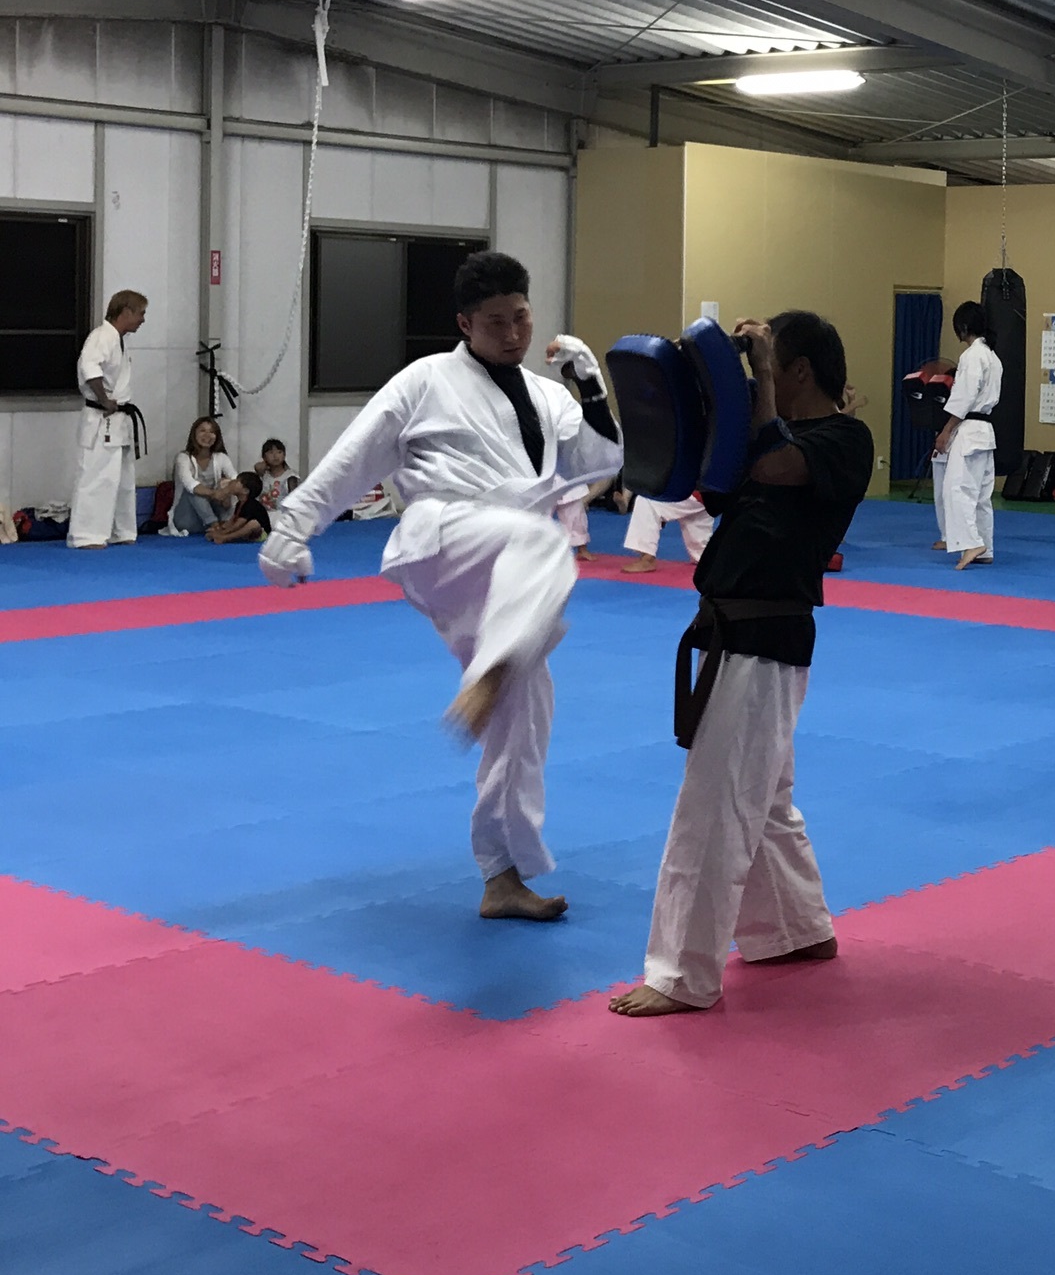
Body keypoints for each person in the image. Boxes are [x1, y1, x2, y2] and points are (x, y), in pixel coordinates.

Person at [259, 251, 621, 920]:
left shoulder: (546, 395)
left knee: (526, 714)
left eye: (521, 319)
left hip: (510, 572)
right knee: (544, 540)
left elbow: (602, 462)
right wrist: (291, 527)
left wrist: (590, 388)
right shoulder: (424, 380)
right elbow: (352, 457)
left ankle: (501, 877)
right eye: (495, 322)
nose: (512, 334)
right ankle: (490, 671)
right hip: (446, 538)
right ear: (464, 323)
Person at [611, 310, 873, 1016]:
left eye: (772, 363)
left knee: (714, 804)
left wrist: (754, 383)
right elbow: (713, 483)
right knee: (765, 798)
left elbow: (773, 464)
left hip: (765, 639)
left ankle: (680, 974)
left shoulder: (843, 439)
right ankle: (796, 928)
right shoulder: (767, 436)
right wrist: (711, 380)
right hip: (735, 635)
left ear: (798, 372)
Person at [71, 289, 147, 549]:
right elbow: (89, 368)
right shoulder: (102, 336)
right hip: (102, 418)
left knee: (122, 481)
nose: (143, 319)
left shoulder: (118, 339)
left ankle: (121, 530)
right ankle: (86, 535)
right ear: (125, 312)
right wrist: (104, 399)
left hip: (119, 419)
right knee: (97, 477)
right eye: (141, 313)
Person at [932, 299, 1001, 570]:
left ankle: (972, 543)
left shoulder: (972, 356)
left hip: (969, 428)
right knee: (981, 494)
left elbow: (964, 397)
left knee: (957, 489)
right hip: (985, 431)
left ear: (962, 327)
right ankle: (986, 547)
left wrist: (946, 431)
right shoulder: (993, 357)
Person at [170, 417, 250, 538]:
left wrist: (226, 491)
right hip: (187, 519)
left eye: (212, 432)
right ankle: (215, 525)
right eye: (202, 431)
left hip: (214, 514)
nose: (207, 435)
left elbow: (236, 479)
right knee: (195, 490)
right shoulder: (183, 458)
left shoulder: (221, 457)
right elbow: (190, 484)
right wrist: (215, 494)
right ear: (194, 434)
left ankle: (222, 524)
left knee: (226, 483)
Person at [621, 492, 714, 573]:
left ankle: (647, 559)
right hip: (709, 495)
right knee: (705, 557)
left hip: (692, 492)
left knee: (647, 501)